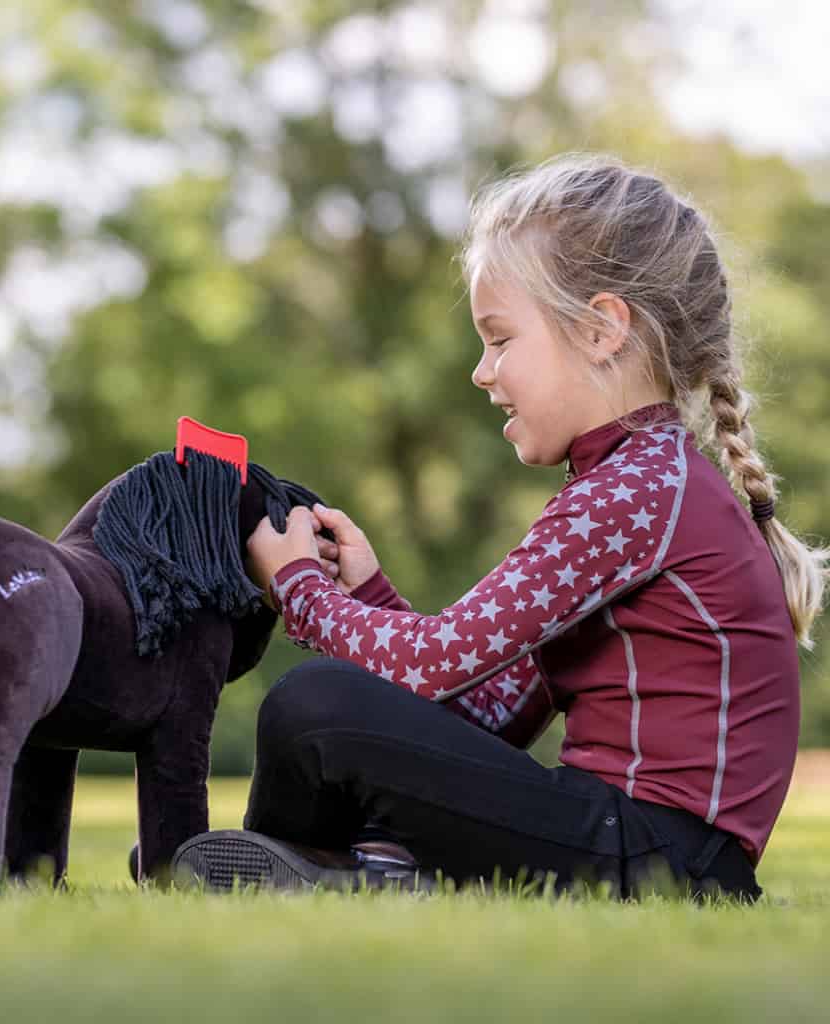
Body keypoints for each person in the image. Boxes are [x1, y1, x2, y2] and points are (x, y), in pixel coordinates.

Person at [169, 153, 828, 900]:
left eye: (501, 339)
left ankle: (299, 867)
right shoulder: (642, 483)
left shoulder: (637, 492)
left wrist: (297, 586)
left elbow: (436, 665)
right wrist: (373, 596)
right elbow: (492, 716)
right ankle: (326, 871)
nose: (482, 371)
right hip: (643, 850)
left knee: (316, 705)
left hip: (659, 856)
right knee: (327, 709)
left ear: (602, 329)